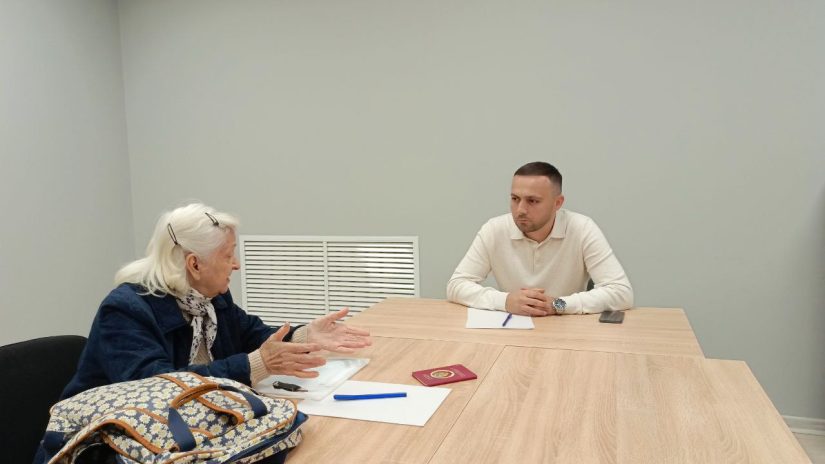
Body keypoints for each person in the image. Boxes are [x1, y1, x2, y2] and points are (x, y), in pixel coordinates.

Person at [447, 162, 633, 316]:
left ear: (557, 203)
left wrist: (558, 305)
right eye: (515, 199)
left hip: (567, 329)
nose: (520, 210)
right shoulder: (494, 229)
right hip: (513, 330)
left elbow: (621, 292)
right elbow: (456, 285)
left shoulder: (582, 228)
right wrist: (505, 301)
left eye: (532, 201)